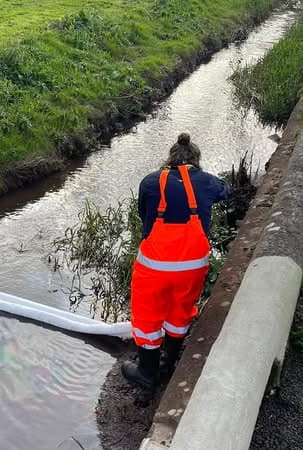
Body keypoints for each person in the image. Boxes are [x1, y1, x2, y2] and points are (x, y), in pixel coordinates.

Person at [122, 132, 231, 389]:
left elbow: (143, 215)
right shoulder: (205, 181)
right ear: (196, 160)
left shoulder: (150, 182)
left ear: (169, 158)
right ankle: (168, 361)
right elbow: (225, 191)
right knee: (180, 311)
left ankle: (147, 373)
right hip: (193, 266)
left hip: (154, 266)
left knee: (148, 317)